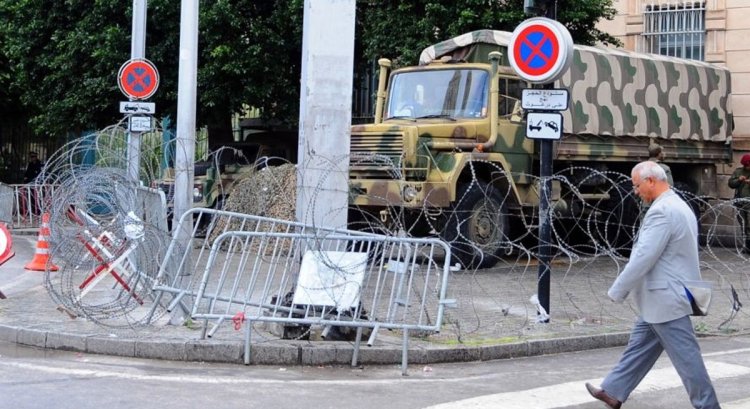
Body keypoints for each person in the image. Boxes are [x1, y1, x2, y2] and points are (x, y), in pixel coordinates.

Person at [585, 161, 720, 409]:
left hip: (665, 297)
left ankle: (708, 405)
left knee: (688, 360)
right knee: (639, 348)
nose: (635, 191)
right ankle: (614, 391)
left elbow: (644, 256)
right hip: (663, 296)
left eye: (637, 185)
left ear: (650, 181)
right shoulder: (676, 204)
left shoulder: (663, 211)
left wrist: (618, 290)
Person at [728, 153, 750, 253]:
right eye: (747, 165)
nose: (748, 167)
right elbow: (731, 184)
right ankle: (746, 246)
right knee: (743, 225)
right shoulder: (738, 172)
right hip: (740, 203)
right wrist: (738, 180)